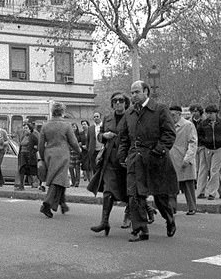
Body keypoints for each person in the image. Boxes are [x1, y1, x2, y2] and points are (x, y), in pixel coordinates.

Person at [117, 81, 178, 242]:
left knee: (160, 196)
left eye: (136, 92)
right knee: (135, 195)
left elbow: (169, 134)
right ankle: (140, 229)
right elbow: (123, 137)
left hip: (156, 159)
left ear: (146, 91)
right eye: (131, 93)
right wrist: (122, 155)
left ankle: (169, 218)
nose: (133, 96)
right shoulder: (129, 114)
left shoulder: (160, 109)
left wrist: (157, 151)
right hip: (135, 158)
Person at [88, 91, 130, 235]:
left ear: (126, 103)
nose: (118, 103)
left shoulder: (131, 117)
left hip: (126, 159)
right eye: (115, 101)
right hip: (110, 160)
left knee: (128, 191)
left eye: (121, 101)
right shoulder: (108, 118)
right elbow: (100, 136)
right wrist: (104, 135)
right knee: (108, 191)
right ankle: (104, 222)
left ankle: (130, 214)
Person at [39, 103, 81, 218]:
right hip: (63, 154)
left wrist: (43, 157)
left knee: (60, 179)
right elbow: (73, 142)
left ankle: (63, 204)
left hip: (49, 154)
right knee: (57, 180)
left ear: (52, 112)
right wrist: (79, 151)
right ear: (62, 112)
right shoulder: (66, 125)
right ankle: (46, 204)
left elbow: (41, 145)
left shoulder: (45, 126)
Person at [195, 104, 221, 201]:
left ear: (216, 113)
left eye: (211, 113)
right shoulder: (203, 124)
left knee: (214, 169)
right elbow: (199, 135)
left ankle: (212, 192)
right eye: (208, 113)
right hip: (208, 148)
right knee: (209, 170)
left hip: (220, 148)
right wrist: (205, 141)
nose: (209, 115)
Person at [168, 104, 198, 215]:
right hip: (171, 158)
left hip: (184, 158)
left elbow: (193, 143)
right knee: (171, 185)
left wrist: (188, 158)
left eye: (173, 115)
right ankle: (172, 207)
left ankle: (192, 207)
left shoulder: (188, 125)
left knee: (188, 185)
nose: (171, 117)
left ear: (179, 114)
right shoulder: (168, 125)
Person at [17, 121, 39, 190]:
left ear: (30, 129)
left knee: (33, 171)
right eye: (24, 128)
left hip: (30, 156)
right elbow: (21, 145)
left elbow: (38, 145)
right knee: (22, 170)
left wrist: (33, 151)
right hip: (23, 155)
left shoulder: (33, 136)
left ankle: (38, 184)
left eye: (26, 128)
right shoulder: (23, 136)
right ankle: (21, 185)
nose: (25, 129)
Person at [70, 122, 84, 187]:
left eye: (74, 127)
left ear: (77, 128)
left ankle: (77, 182)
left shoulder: (79, 135)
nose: (73, 128)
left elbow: (81, 143)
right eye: (72, 127)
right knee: (70, 167)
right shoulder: (69, 135)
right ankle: (73, 181)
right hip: (70, 152)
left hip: (77, 153)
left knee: (77, 167)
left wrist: (77, 145)